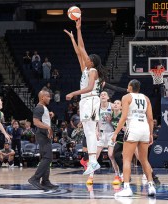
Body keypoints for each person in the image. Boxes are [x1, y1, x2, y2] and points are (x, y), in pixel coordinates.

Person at [64, 18, 107, 175]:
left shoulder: (93, 71)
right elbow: (79, 50)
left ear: (92, 62)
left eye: (88, 58)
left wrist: (73, 93)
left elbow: (89, 87)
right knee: (88, 131)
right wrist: (74, 37)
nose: (85, 58)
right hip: (85, 101)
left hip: (91, 100)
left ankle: (94, 161)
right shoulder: (85, 69)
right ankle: (93, 161)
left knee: (90, 131)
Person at [112, 79, 156, 197]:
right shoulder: (146, 98)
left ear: (130, 87)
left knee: (126, 159)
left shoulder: (126, 97)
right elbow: (151, 119)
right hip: (145, 129)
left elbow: (124, 117)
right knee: (144, 160)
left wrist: (116, 132)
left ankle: (126, 187)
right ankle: (151, 186)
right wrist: (151, 134)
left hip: (133, 128)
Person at [28, 90, 58, 190]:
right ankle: (35, 179)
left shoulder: (43, 108)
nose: (50, 98)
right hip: (42, 135)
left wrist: (49, 115)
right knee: (47, 158)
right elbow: (36, 122)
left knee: (47, 158)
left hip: (44, 135)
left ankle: (45, 181)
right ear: (42, 98)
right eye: (48, 96)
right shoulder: (39, 107)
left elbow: (42, 119)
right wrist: (48, 128)